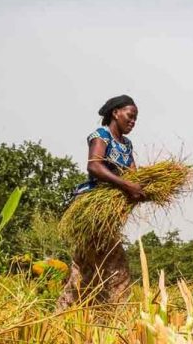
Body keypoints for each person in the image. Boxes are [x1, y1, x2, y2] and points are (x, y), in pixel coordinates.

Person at [57, 95, 144, 309]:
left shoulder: (126, 144)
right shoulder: (101, 135)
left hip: (108, 214)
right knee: (114, 269)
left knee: (86, 269)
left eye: (135, 119)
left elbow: (133, 176)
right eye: (130, 116)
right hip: (92, 210)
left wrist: (142, 189)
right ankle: (115, 317)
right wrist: (126, 186)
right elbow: (94, 166)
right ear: (115, 113)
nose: (133, 122)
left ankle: (68, 317)